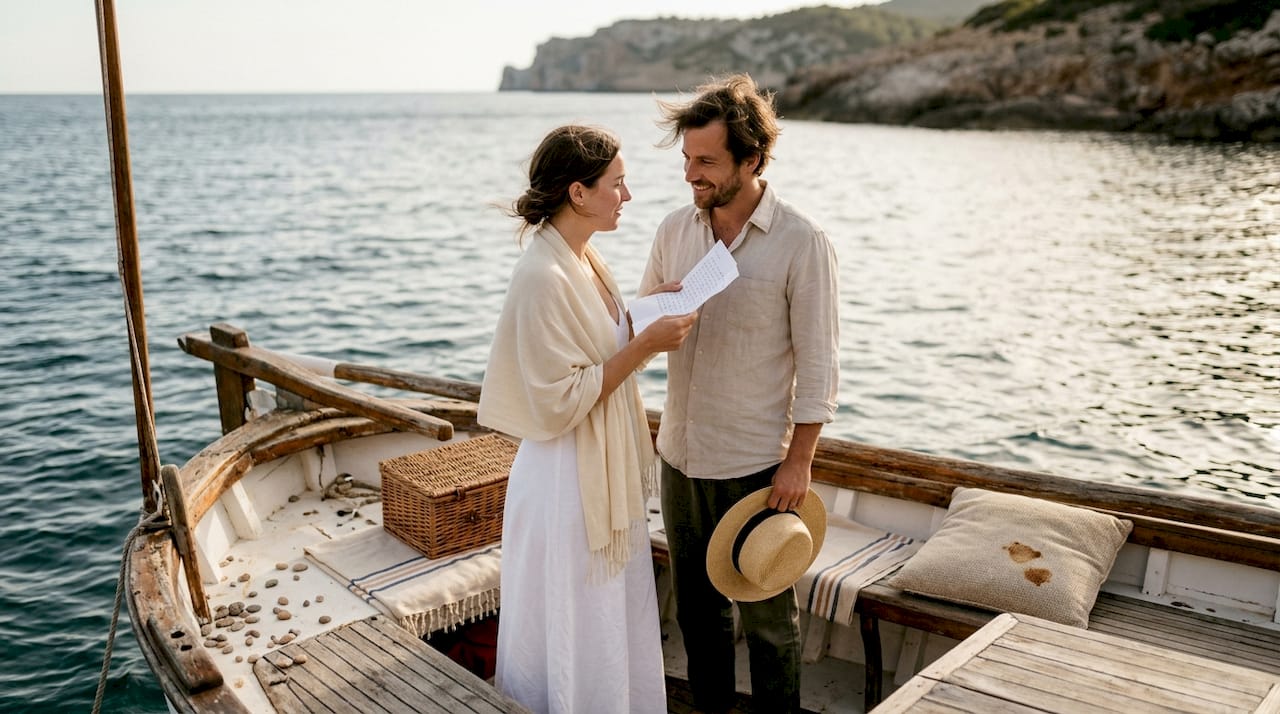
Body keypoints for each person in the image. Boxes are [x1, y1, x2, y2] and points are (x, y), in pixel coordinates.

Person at [638, 74, 840, 714]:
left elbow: (820, 364)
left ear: (751, 160)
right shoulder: (675, 228)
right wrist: (656, 314)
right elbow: (639, 326)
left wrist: (799, 461)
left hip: (757, 467)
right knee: (697, 615)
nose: (691, 175)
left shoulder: (801, 243)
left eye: (706, 162)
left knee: (769, 623)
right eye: (687, 160)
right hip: (678, 456)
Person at [477, 125, 696, 714]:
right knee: (574, 613)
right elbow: (559, 396)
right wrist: (646, 344)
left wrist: (652, 311)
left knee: (603, 609)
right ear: (578, 192)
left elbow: (598, 346)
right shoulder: (541, 276)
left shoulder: (584, 258)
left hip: (593, 470)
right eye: (617, 184)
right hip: (563, 481)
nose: (627, 196)